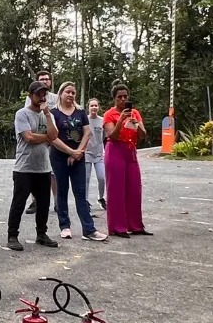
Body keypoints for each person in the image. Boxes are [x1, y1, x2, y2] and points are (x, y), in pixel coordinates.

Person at [50, 82, 107, 242]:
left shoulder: (81, 112)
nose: (70, 95)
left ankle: (88, 229)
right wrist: (70, 152)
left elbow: (87, 132)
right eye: (68, 92)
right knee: (61, 191)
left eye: (73, 93)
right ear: (61, 93)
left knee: (81, 193)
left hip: (79, 157)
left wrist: (78, 152)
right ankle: (64, 226)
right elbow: (52, 137)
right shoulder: (53, 113)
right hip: (59, 157)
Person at [7, 80, 59, 251]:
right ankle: (12, 235)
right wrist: (47, 137)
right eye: (38, 93)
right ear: (30, 96)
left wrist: (48, 115)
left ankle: (41, 234)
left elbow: (55, 134)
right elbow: (29, 137)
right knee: (19, 203)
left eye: (44, 93)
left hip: (43, 167)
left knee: (44, 203)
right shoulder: (22, 114)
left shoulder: (47, 114)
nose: (42, 96)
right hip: (24, 167)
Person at [102, 83, 150, 238]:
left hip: (130, 151)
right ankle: (118, 227)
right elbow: (112, 136)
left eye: (125, 97)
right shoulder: (109, 114)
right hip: (115, 151)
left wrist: (137, 124)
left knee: (134, 188)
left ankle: (135, 225)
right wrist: (121, 120)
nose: (123, 100)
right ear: (114, 99)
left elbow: (143, 135)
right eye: (119, 97)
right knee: (116, 190)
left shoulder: (135, 113)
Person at [24, 70, 57, 214]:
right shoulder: (30, 99)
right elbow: (28, 116)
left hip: (52, 132)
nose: (45, 81)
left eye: (47, 79)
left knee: (53, 172)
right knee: (34, 170)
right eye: (42, 79)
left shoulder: (55, 98)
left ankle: (57, 202)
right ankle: (34, 201)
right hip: (39, 134)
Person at [85, 98, 106, 210]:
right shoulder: (85, 120)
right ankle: (85, 200)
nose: (94, 107)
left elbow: (106, 137)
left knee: (101, 177)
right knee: (86, 179)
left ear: (98, 107)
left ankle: (101, 198)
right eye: (92, 105)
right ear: (88, 107)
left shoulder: (102, 120)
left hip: (99, 153)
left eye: (96, 105)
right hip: (87, 153)